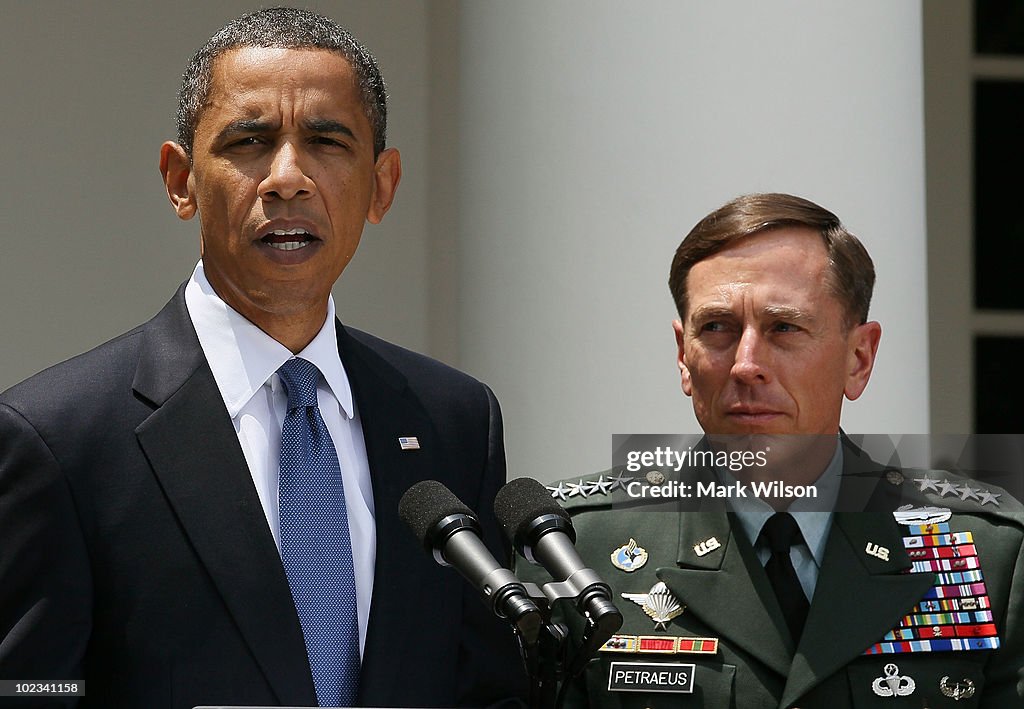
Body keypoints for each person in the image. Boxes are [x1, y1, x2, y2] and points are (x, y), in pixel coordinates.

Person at [0, 8, 525, 708]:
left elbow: (486, 689)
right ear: (180, 179)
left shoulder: (455, 421)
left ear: (382, 184)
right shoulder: (59, 437)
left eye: (326, 141)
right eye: (249, 141)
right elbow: (30, 693)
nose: (287, 178)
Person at [530, 194, 1024, 707]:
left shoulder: (988, 552)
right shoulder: (571, 548)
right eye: (717, 328)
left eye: (783, 328)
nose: (745, 364)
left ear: (859, 358)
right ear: (683, 356)